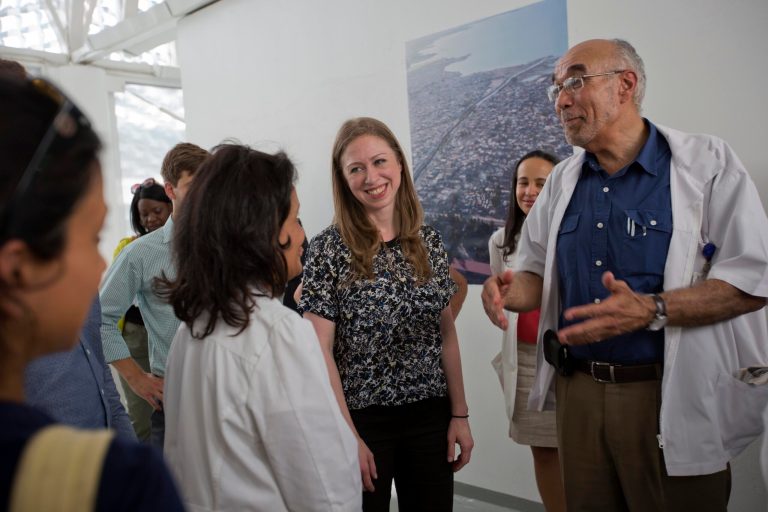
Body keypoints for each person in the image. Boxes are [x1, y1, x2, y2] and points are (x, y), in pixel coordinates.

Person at [481, 38, 768, 511]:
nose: (561, 100)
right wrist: (508, 292)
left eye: (575, 81)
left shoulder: (708, 165)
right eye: (555, 88)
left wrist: (653, 309)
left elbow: (751, 282)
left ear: (625, 85)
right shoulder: (561, 182)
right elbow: (530, 271)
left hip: (665, 392)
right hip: (579, 394)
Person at [0, 74, 183, 510]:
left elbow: (102, 382)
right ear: (20, 268)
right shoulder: (113, 482)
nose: (101, 264)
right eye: (91, 236)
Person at [159, 144, 361, 511]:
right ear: (262, 231)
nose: (302, 236)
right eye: (295, 219)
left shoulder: (190, 331)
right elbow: (325, 485)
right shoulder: (276, 332)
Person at [300, 117, 473, 511]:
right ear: (343, 179)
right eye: (356, 168)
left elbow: (444, 332)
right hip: (363, 422)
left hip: (431, 417)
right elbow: (319, 350)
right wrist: (347, 436)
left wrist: (459, 414)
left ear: (398, 164)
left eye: (379, 162)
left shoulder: (426, 240)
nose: (371, 177)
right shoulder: (328, 249)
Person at [100, 142, 209, 449]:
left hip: (229, 394)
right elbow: (100, 319)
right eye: (193, 186)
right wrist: (136, 378)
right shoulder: (141, 254)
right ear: (171, 190)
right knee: (173, 492)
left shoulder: (228, 244)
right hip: (175, 398)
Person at [487, 150, 564, 512]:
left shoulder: (569, 235)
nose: (530, 191)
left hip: (566, 360)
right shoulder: (501, 241)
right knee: (545, 454)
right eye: (523, 182)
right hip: (525, 359)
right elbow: (507, 296)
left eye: (541, 183)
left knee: (579, 453)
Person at [112, 179, 173, 441]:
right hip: (137, 334)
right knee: (143, 409)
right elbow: (107, 310)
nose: (150, 219)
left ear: (170, 205)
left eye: (156, 212)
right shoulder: (131, 249)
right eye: (143, 214)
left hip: (166, 337)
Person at [25, 297, 135, 440]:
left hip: (102, 438)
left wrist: (125, 433)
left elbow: (99, 366)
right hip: (47, 449)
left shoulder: (85, 285)